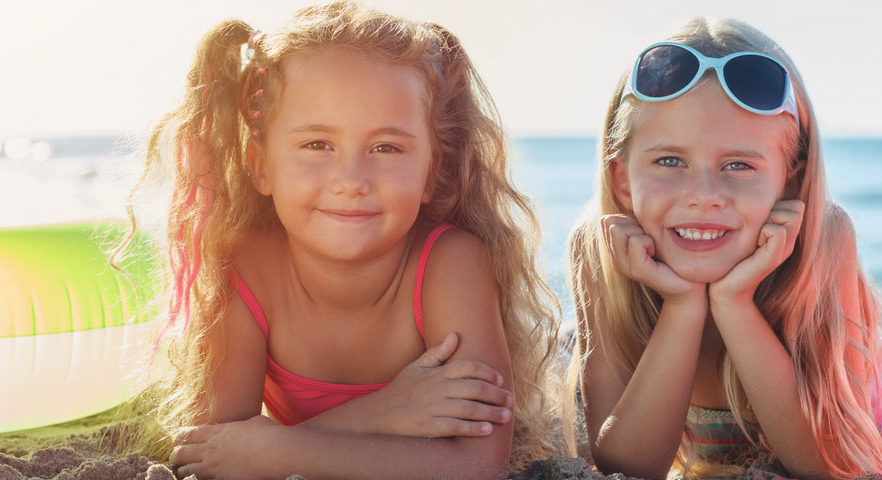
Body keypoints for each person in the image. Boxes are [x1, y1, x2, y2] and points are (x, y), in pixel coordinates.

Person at [120, 3, 562, 478]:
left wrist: (277, 451)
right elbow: (212, 455)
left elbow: (480, 463)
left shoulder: (451, 263)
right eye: (317, 145)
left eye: (386, 148)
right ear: (260, 164)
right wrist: (382, 412)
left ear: (432, 170)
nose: (351, 180)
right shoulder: (246, 266)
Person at [564, 18, 882, 480]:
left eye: (739, 165)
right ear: (621, 178)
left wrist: (734, 303)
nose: (704, 194)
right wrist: (682, 306)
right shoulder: (599, 247)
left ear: (790, 177)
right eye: (669, 161)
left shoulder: (825, 239)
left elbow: (830, 466)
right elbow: (627, 466)